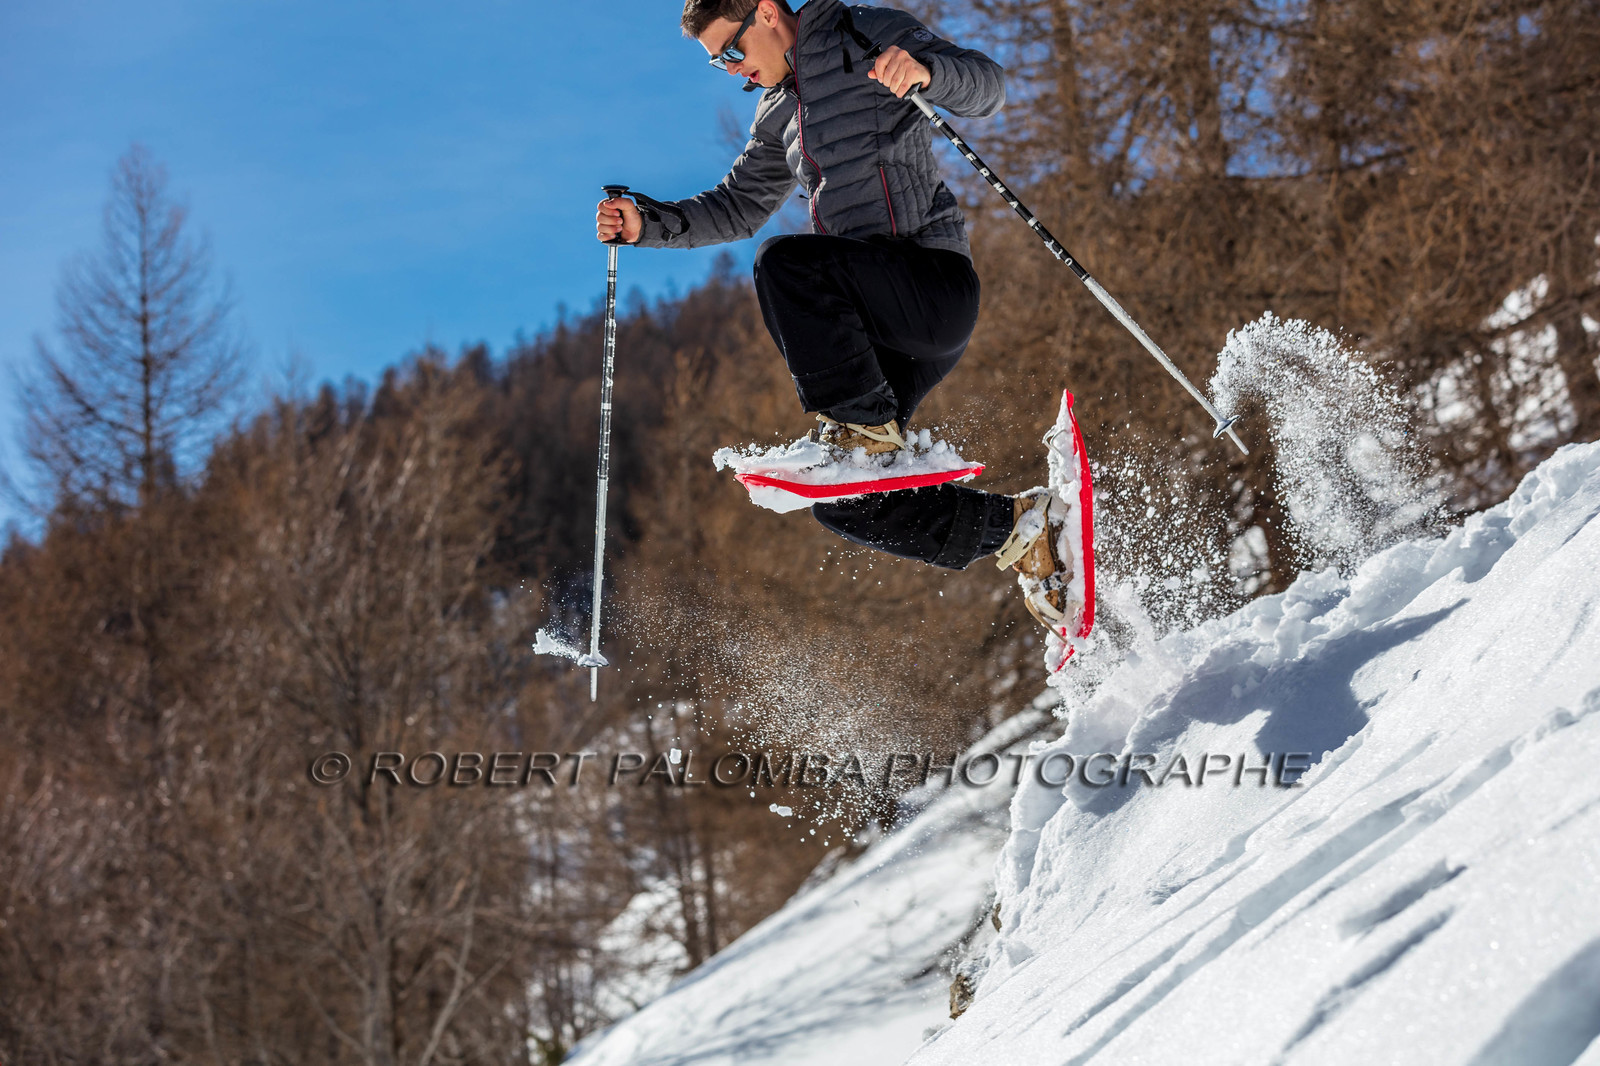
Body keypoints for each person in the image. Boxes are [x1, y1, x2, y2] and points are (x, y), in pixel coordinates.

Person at [595, 0, 1074, 630]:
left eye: (731, 53)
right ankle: (1021, 531)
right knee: (848, 501)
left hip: (929, 284)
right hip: (877, 331)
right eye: (719, 65)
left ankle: (859, 429)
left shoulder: (860, 30)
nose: (734, 73)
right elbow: (738, 206)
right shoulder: (776, 115)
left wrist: (924, 69)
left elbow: (987, 86)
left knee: (786, 265)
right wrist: (647, 224)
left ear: (766, 13)